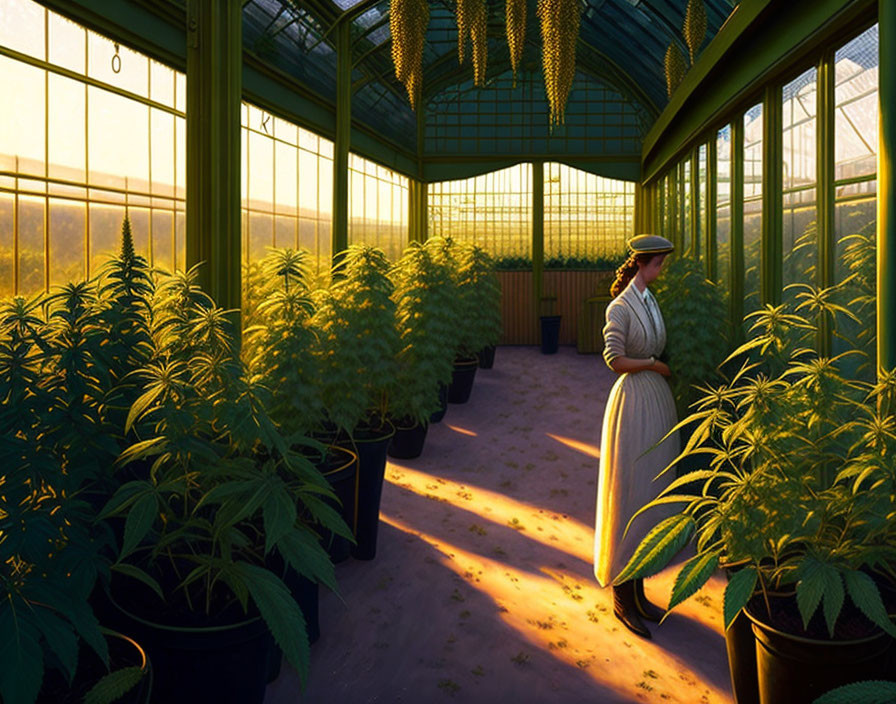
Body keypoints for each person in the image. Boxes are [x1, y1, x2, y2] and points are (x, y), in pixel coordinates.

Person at [593, 234, 679, 639]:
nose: (662, 271)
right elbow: (614, 359)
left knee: (651, 490)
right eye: (659, 264)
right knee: (631, 492)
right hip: (634, 403)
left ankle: (639, 587)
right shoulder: (620, 306)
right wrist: (653, 365)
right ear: (643, 264)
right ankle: (623, 596)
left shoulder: (649, 300)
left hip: (655, 401)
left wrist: (657, 369)